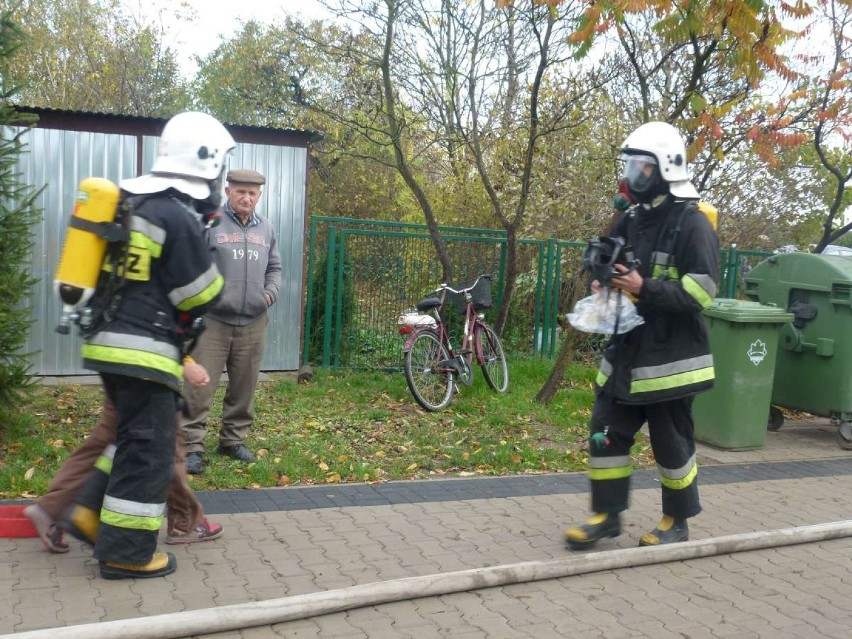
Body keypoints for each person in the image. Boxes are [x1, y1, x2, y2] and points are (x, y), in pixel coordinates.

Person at [56, 111, 233, 579]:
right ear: (207, 164)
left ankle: (88, 511)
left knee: (131, 439)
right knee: (150, 451)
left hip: (107, 344)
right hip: (145, 352)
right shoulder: (175, 214)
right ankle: (126, 554)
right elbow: (197, 293)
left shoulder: (129, 200)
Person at [565, 121, 719, 550]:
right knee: (605, 432)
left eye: (641, 166)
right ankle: (608, 516)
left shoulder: (693, 225)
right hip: (628, 353)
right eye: (630, 163)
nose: (632, 174)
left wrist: (642, 287)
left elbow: (702, 292)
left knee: (671, 445)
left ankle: (677, 520)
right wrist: (600, 281)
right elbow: (606, 258)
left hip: (671, 361)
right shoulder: (630, 218)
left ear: (666, 169)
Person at [23, 360, 223, 554]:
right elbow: (157, 329)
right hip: (147, 374)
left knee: (105, 440)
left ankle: (50, 508)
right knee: (165, 445)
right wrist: (185, 362)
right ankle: (185, 523)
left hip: (120, 366)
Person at [181, 168, 281, 474]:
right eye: (240, 191)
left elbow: (274, 267)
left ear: (259, 195)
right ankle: (191, 447)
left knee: (244, 385)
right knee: (199, 387)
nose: (246, 197)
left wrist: (268, 296)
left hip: (253, 320)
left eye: (252, 193)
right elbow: (192, 264)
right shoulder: (212, 223)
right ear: (228, 192)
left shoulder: (266, 229)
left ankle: (232, 440)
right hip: (213, 321)